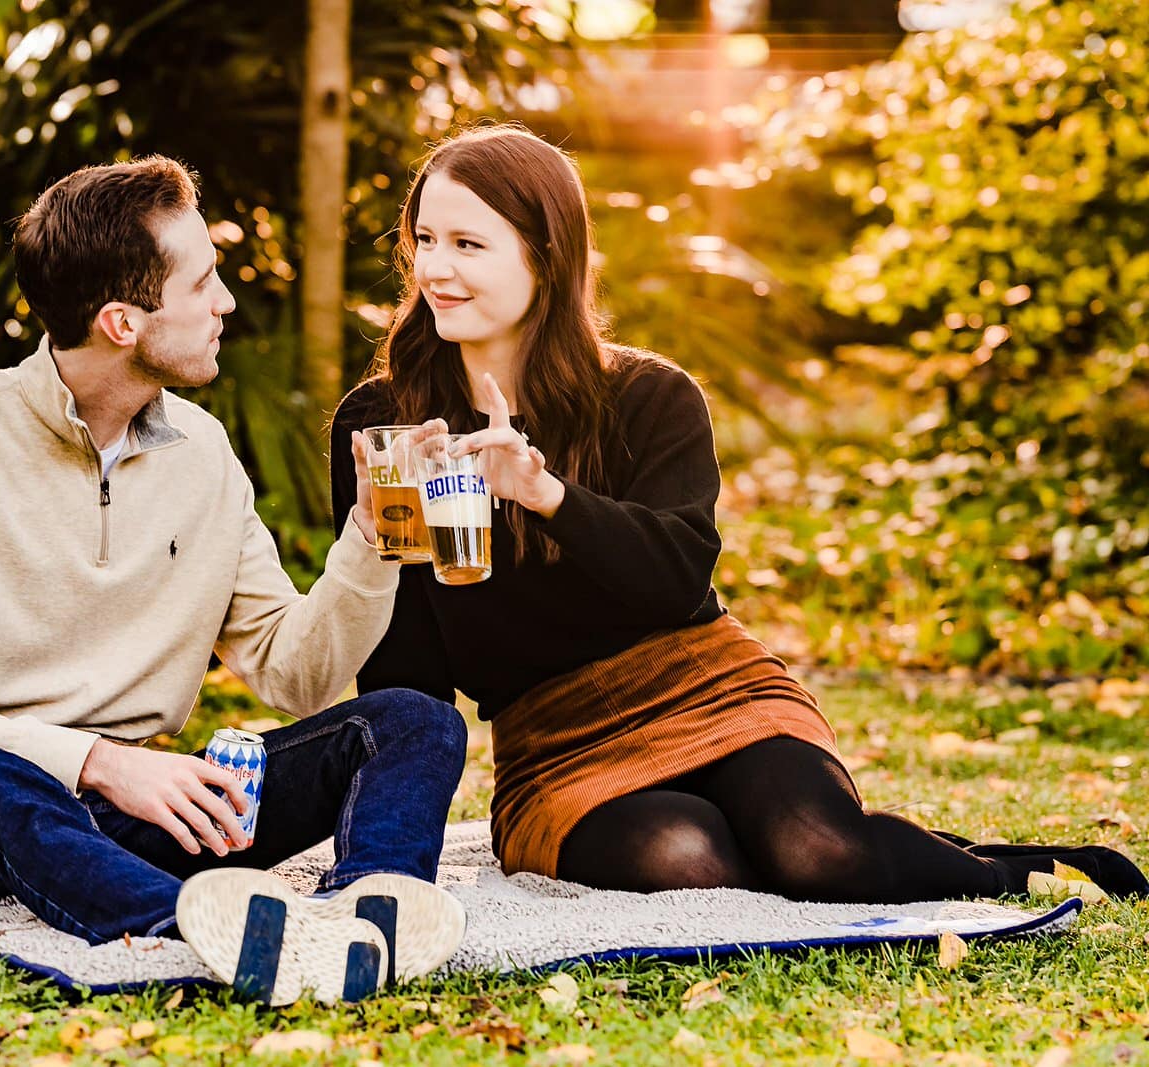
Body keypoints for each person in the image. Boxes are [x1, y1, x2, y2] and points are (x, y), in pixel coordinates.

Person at [330, 124, 1148, 903]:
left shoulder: (650, 397)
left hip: (705, 685)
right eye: (425, 239)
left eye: (467, 244)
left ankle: (1023, 876)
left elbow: (676, 578)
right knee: (690, 856)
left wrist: (549, 497)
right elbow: (407, 674)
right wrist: (393, 843)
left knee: (817, 847)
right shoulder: (385, 429)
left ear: (546, 256)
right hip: (554, 745)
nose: (436, 268)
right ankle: (834, 849)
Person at [0, 156, 468, 1007]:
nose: (225, 302)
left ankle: (365, 918)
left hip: (137, 815)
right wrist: (99, 763)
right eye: (202, 282)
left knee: (412, 721)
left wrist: (371, 538)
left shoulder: (203, 456)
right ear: (122, 322)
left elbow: (297, 675)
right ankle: (202, 929)